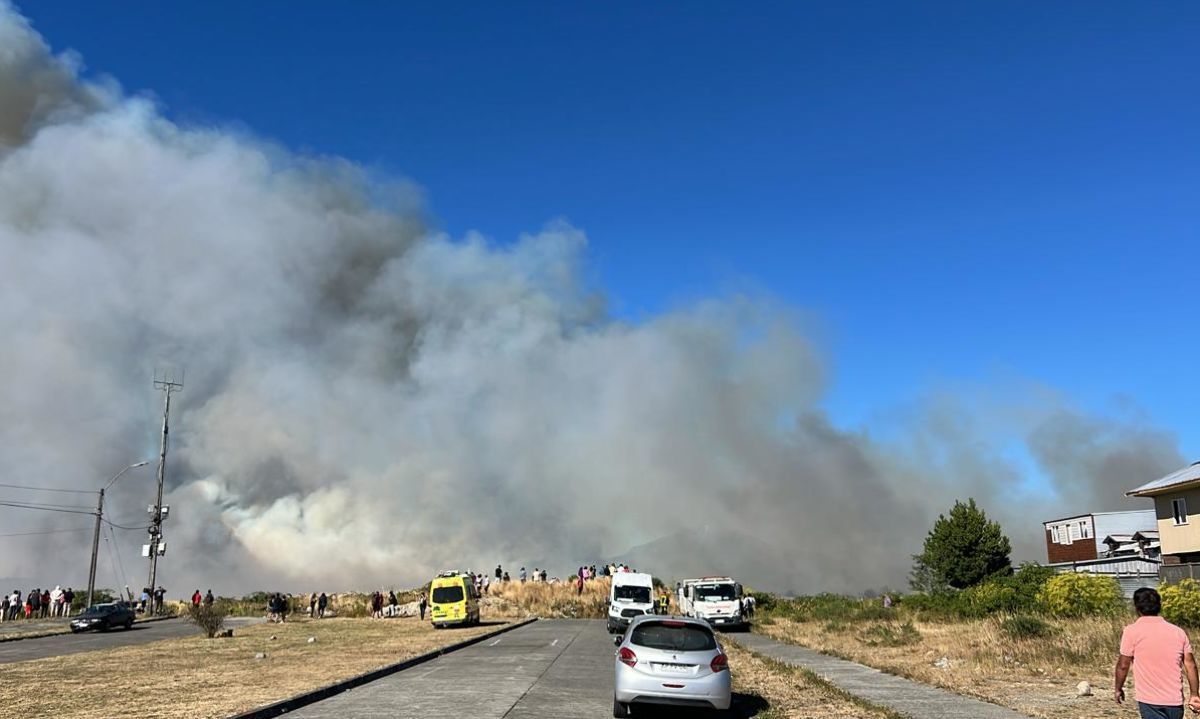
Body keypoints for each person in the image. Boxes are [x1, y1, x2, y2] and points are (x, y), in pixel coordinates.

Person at [1115, 587, 1200, 718]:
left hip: (1150, 700)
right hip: (1174, 701)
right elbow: (1191, 666)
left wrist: (1118, 688)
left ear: (1137, 608)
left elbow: (1123, 665)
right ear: (1159, 606)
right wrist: (1194, 694)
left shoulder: (1131, 631)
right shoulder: (1178, 632)